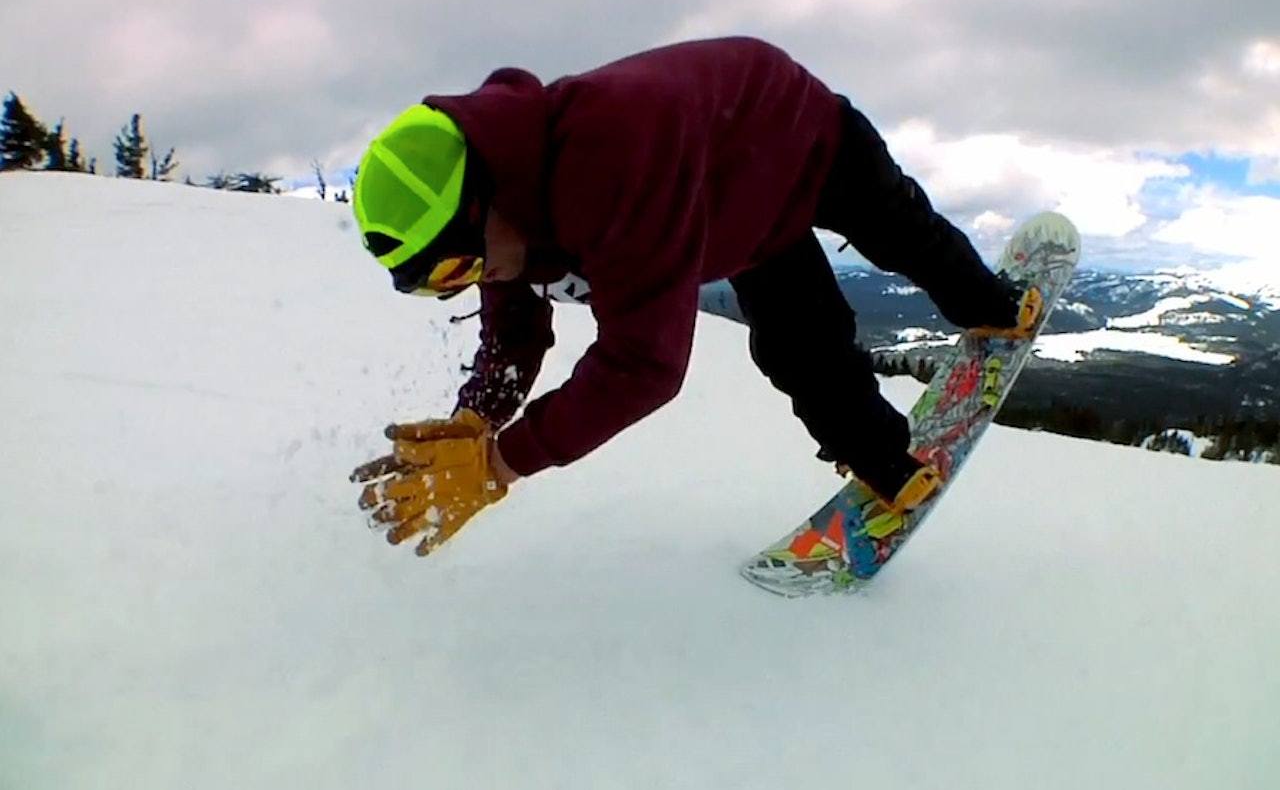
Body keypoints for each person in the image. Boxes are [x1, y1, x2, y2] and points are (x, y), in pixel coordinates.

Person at [347, 36, 1042, 557]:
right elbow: (516, 329)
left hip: (804, 135)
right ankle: (886, 462)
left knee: (905, 236)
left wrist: (501, 465)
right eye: (440, 285)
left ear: (483, 199)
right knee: (798, 347)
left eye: (453, 267)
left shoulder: (607, 156)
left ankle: (992, 307)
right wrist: (477, 420)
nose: (468, 283)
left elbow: (642, 366)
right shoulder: (509, 213)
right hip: (734, 213)